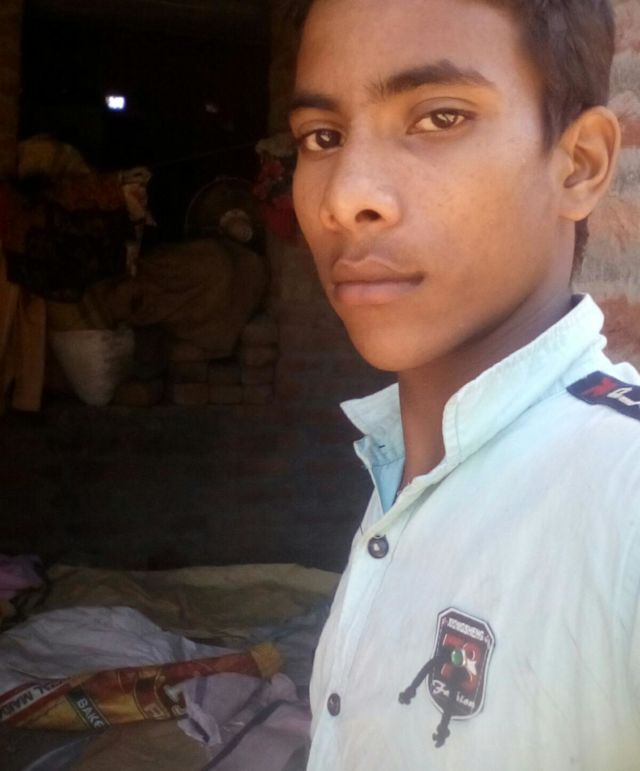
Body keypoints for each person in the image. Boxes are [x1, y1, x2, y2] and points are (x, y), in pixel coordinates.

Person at [287, 0, 640, 769]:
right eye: (322, 136)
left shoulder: (625, 496)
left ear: (579, 165)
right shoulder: (404, 462)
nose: (344, 197)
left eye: (439, 118)